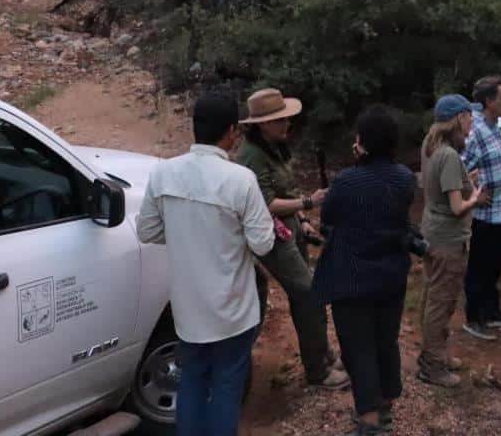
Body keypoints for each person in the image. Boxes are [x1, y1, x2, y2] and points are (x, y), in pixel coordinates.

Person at [135, 93, 275, 435]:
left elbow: (147, 230)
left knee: (192, 384)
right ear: (231, 132)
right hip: (233, 312)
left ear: (194, 128)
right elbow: (263, 243)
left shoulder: (164, 173)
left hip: (188, 310)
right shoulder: (240, 180)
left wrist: (186, 233)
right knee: (227, 388)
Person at [235, 87, 349, 390]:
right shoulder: (251, 157)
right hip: (271, 235)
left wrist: (302, 220)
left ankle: (321, 354)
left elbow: (285, 192)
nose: (287, 125)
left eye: (286, 119)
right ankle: (317, 370)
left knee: (306, 295)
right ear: (260, 124)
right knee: (310, 294)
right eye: (279, 120)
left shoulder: (274, 147)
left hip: (289, 229)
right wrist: (308, 203)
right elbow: (265, 203)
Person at [311, 106, 417, 436]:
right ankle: (386, 406)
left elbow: (327, 218)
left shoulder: (346, 181)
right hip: (391, 275)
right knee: (385, 339)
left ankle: (369, 422)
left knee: (358, 347)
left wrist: (358, 163)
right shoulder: (404, 178)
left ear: (363, 142)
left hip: (352, 278)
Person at [416, 93, 489, 387]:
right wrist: (477, 198)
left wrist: (463, 177)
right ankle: (432, 366)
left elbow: (438, 184)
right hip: (447, 239)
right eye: (469, 115)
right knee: (441, 301)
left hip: (432, 230)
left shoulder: (431, 144)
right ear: (458, 118)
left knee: (432, 295)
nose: (472, 120)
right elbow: (458, 207)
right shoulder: (448, 155)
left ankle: (433, 354)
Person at [461, 75, 501, 340]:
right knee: (479, 268)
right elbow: (459, 169)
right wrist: (474, 194)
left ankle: (492, 310)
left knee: (494, 265)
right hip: (484, 216)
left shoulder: (494, 126)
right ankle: (474, 318)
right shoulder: (476, 132)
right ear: (488, 102)